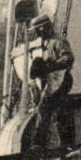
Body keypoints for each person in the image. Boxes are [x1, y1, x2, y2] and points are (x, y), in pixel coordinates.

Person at [27, 16, 75, 149]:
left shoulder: (58, 41)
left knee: (44, 107)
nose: (36, 33)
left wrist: (52, 65)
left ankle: (39, 143)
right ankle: (65, 143)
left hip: (61, 80)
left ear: (42, 29)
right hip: (54, 81)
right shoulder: (47, 43)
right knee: (58, 112)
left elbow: (68, 58)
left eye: (37, 30)